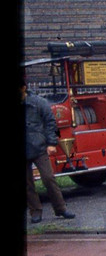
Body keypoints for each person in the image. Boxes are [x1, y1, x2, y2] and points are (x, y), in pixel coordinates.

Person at [24, 81, 74, 222]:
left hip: (39, 147)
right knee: (27, 183)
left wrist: (51, 142)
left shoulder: (39, 102)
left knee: (48, 178)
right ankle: (35, 211)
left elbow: (50, 122)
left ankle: (61, 209)